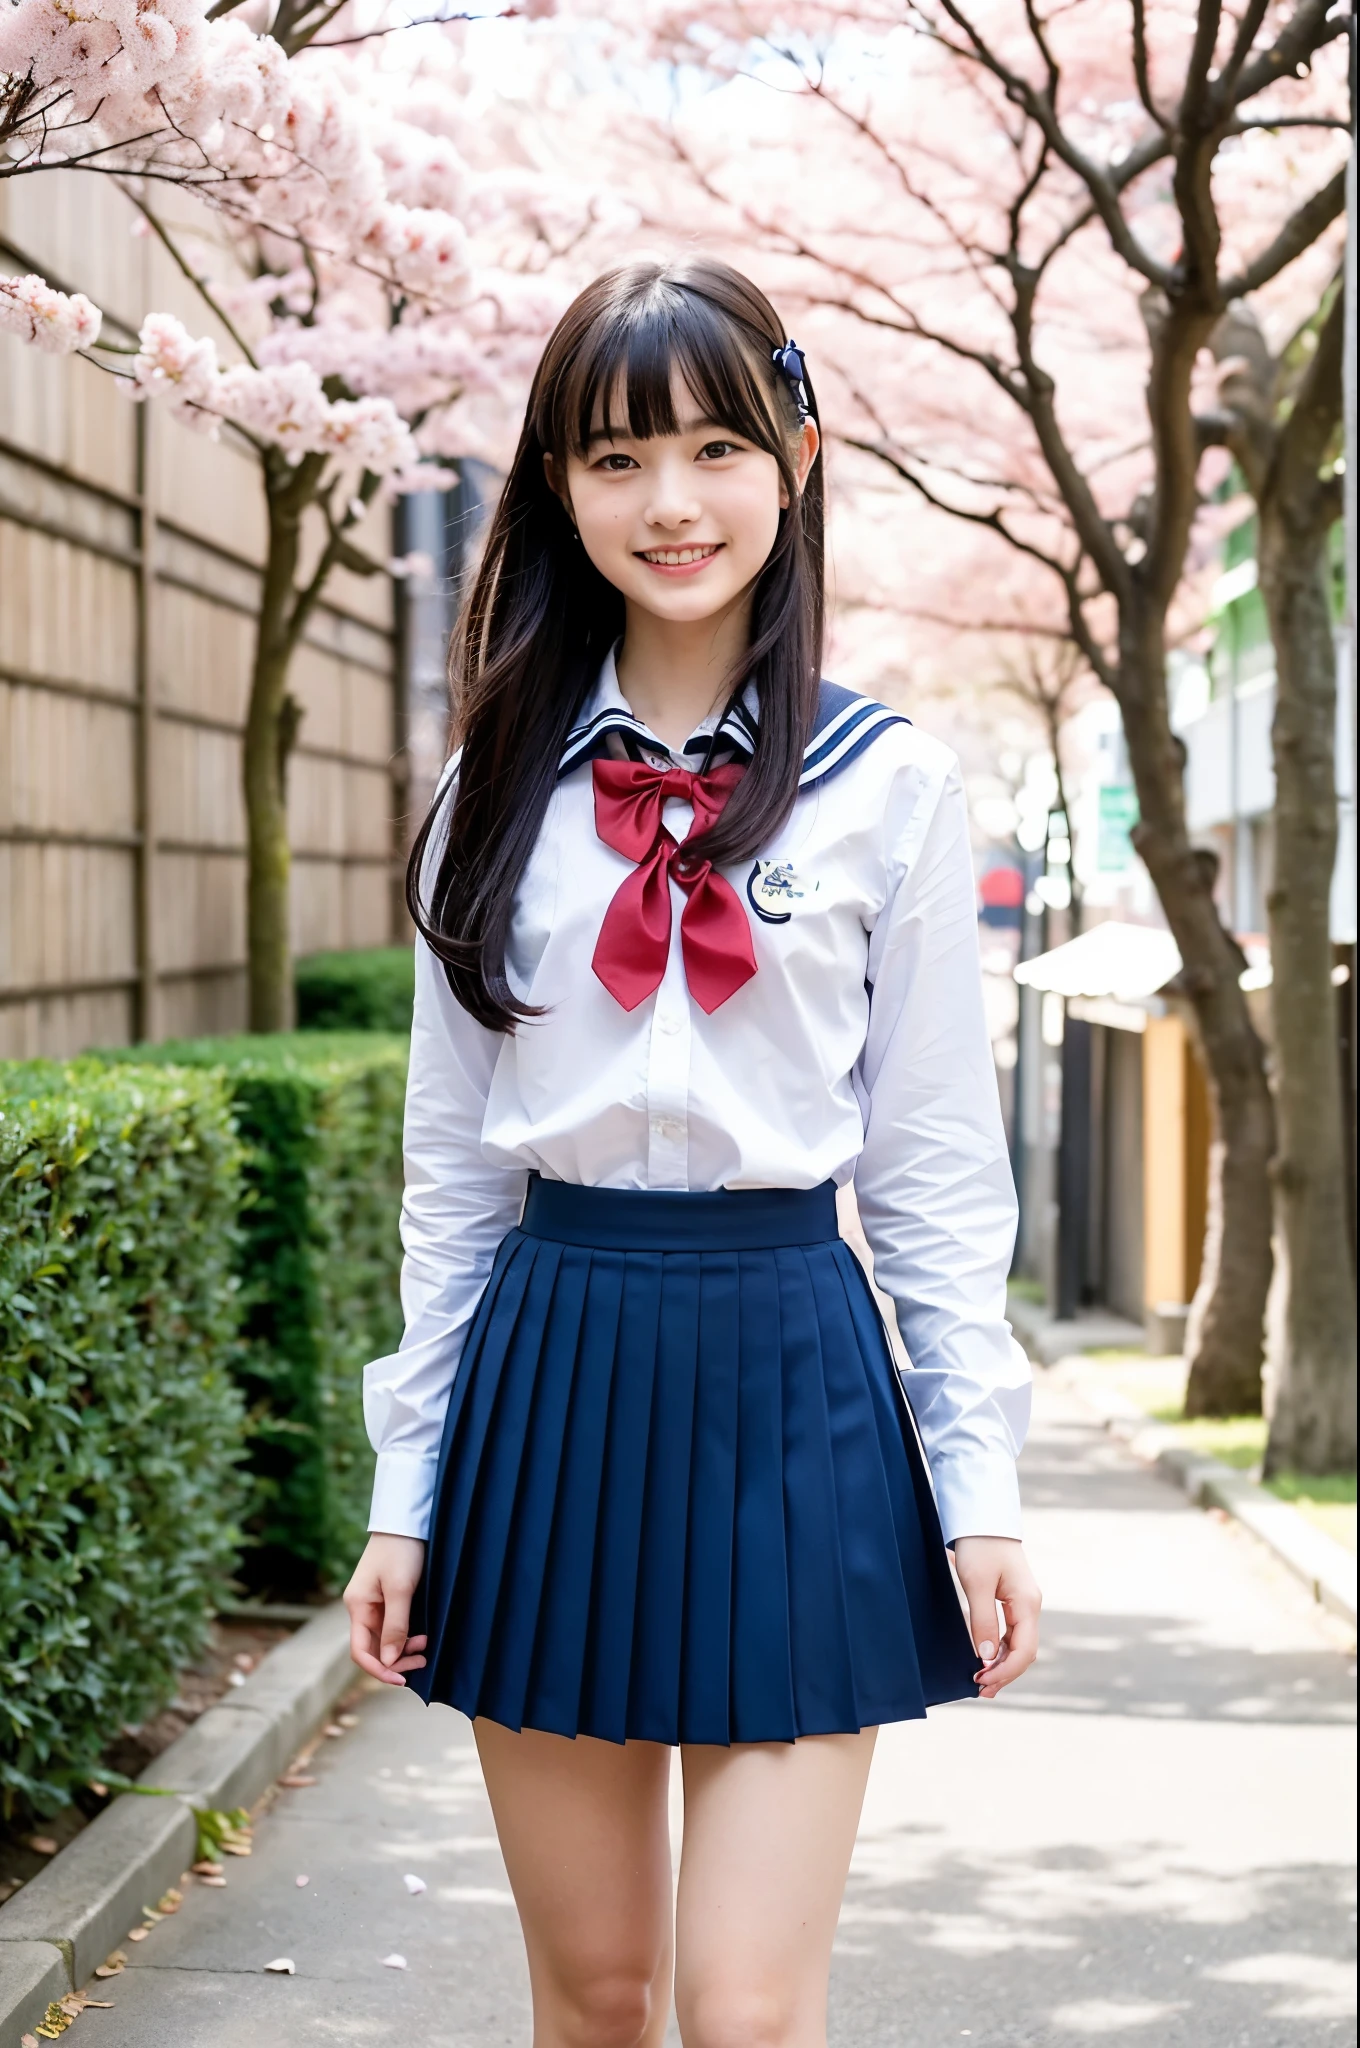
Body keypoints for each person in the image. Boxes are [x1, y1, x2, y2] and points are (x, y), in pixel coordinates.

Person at [343, 257, 1040, 2048]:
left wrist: (979, 1489)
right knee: (595, 1994)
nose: (671, 503)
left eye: (718, 445)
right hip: (553, 1367)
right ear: (557, 488)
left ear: (796, 456)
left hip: (793, 1370)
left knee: (740, 2008)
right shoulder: (482, 791)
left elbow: (939, 1172)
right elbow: (453, 1175)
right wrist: (403, 1490)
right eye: (617, 457)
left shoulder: (891, 787)